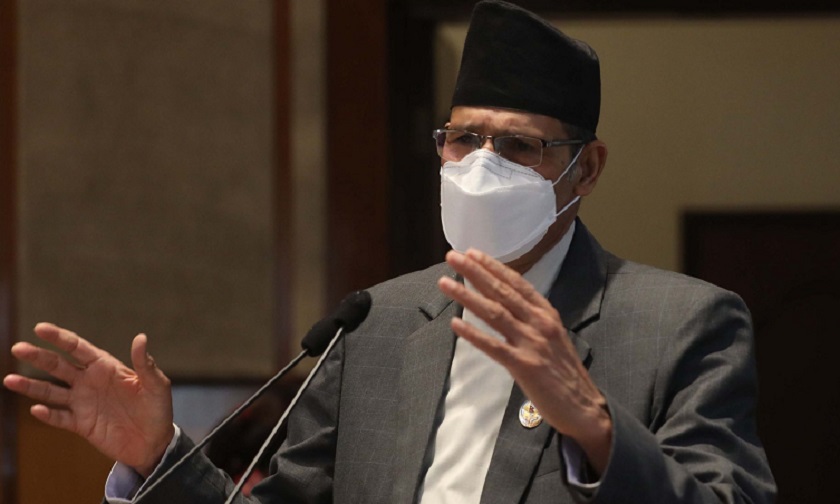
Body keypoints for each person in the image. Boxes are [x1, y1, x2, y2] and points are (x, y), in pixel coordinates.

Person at [3, 1, 775, 502]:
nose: (483, 166)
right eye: (464, 139)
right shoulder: (376, 322)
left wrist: (596, 428)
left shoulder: (679, 324)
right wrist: (156, 455)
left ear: (587, 168)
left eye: (519, 146)